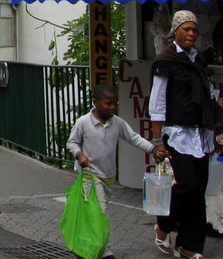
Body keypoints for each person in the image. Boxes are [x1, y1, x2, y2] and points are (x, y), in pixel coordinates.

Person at [150, 10, 221, 259]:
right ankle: (164, 225)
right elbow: (157, 102)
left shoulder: (197, 59)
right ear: (176, 31)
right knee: (184, 186)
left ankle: (189, 245)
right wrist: (157, 141)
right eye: (186, 29)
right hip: (177, 134)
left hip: (199, 134)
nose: (191, 33)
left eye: (194, 30)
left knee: (198, 189)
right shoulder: (166, 60)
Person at [67, 83, 166, 259]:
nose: (113, 107)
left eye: (115, 103)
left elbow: (133, 138)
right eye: (108, 103)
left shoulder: (117, 123)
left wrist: (152, 149)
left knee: (94, 214)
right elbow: (71, 142)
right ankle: (105, 251)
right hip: (90, 175)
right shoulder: (83, 122)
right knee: (100, 212)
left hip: (108, 176)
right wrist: (79, 154)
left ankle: (85, 247)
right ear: (95, 102)